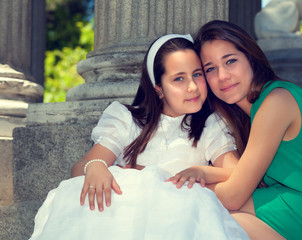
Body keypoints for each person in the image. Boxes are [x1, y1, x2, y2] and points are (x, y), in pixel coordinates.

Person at [29, 34, 250, 240]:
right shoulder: (127, 120)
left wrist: (201, 171)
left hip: (177, 222)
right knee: (75, 194)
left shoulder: (209, 126)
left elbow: (235, 172)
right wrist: (96, 166)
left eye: (197, 74)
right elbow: (81, 167)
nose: (192, 86)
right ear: (159, 89)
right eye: (179, 79)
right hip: (123, 222)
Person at [170, 20, 302, 239]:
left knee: (220, 218)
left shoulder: (276, 102)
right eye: (210, 69)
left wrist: (180, 189)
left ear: (251, 59)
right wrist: (203, 172)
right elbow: (246, 183)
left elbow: (233, 195)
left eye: (230, 61)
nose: (222, 76)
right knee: (226, 220)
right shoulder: (249, 117)